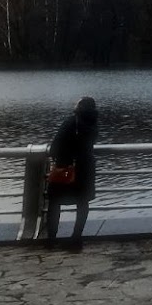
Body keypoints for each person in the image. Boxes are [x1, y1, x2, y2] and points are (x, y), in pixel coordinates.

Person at [45, 97, 99, 250]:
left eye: (77, 102)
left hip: (67, 168)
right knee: (83, 203)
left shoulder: (71, 122)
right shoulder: (93, 123)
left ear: (79, 106)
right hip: (86, 168)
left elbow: (55, 147)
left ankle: (51, 239)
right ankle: (76, 238)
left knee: (54, 203)